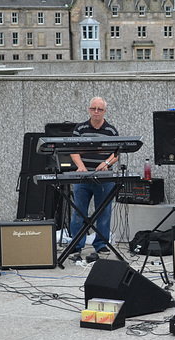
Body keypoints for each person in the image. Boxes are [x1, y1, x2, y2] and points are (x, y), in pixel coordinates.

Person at [69, 97, 119, 262]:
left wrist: (106, 163)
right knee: (78, 213)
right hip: (83, 178)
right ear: (89, 110)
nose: (96, 112)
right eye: (93, 108)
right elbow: (73, 150)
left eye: (99, 109)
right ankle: (76, 245)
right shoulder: (80, 129)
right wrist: (80, 166)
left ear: (105, 111)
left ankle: (101, 244)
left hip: (104, 179)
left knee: (104, 213)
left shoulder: (111, 130)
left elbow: (116, 154)